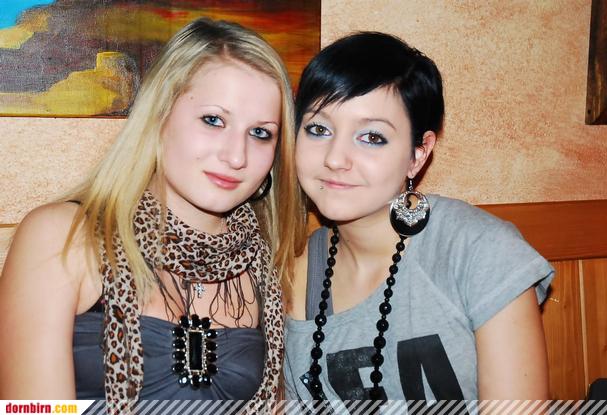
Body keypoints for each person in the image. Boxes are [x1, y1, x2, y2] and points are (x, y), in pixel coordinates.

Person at [0, 17, 303, 411]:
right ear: (159, 116)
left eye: (260, 133)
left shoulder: (269, 265)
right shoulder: (62, 237)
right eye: (213, 120)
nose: (236, 156)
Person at [284, 32, 554, 409]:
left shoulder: (478, 251)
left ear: (418, 154)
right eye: (319, 129)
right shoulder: (294, 279)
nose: (335, 158)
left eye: (372, 137)